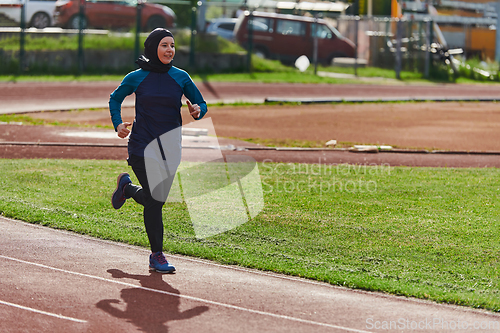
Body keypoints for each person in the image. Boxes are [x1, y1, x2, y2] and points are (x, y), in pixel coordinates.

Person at [109, 28, 208, 274]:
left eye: (172, 46)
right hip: (142, 146)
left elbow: (201, 103)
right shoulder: (137, 76)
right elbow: (115, 98)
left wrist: (198, 111)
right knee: (155, 200)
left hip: (170, 148)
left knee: (156, 199)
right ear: (153, 47)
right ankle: (157, 255)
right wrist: (118, 124)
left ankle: (127, 188)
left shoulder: (181, 77)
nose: (169, 50)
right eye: (164, 45)